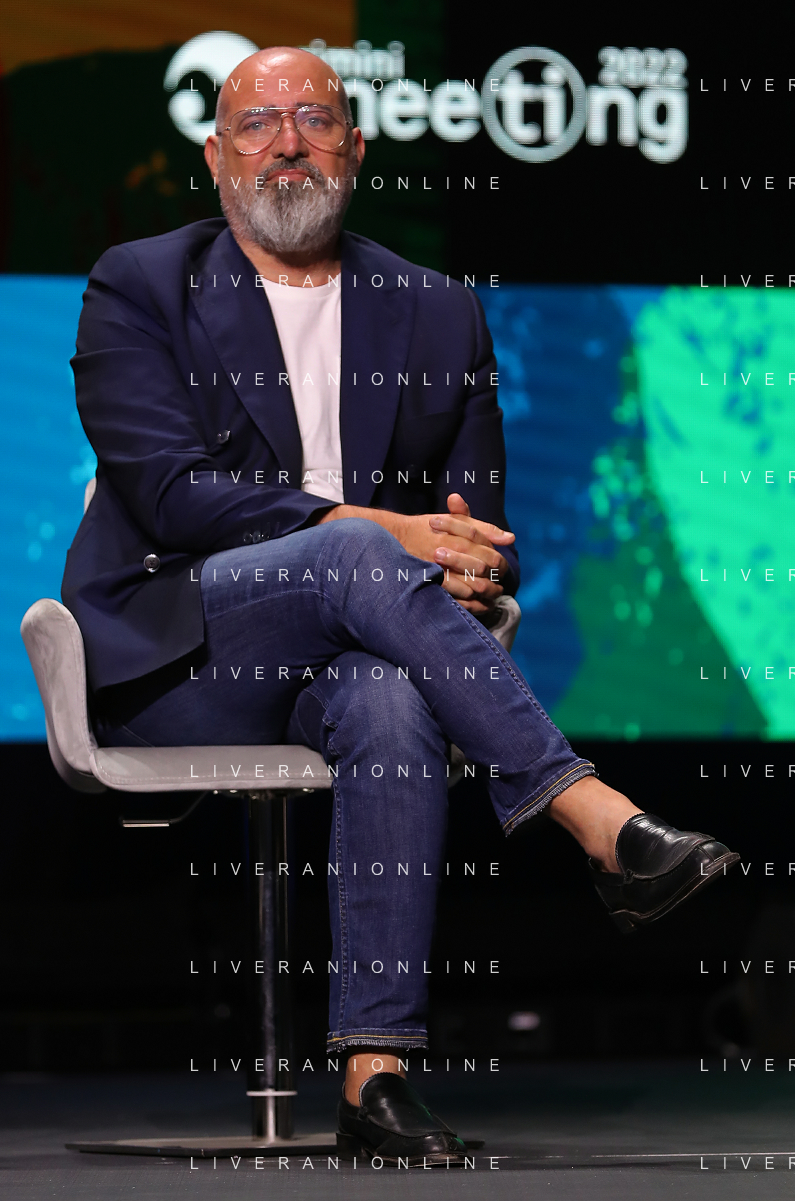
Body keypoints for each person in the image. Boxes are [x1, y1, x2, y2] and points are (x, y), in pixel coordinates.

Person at [61, 46, 739, 1166]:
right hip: (182, 649)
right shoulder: (140, 283)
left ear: (357, 149)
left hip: (355, 650)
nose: (287, 143)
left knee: (387, 699)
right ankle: (590, 814)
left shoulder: (433, 310)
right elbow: (172, 496)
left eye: (315, 120)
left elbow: (478, 532)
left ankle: (373, 1074)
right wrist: (378, 531)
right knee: (352, 547)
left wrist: (464, 565)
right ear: (216, 158)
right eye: (257, 124)